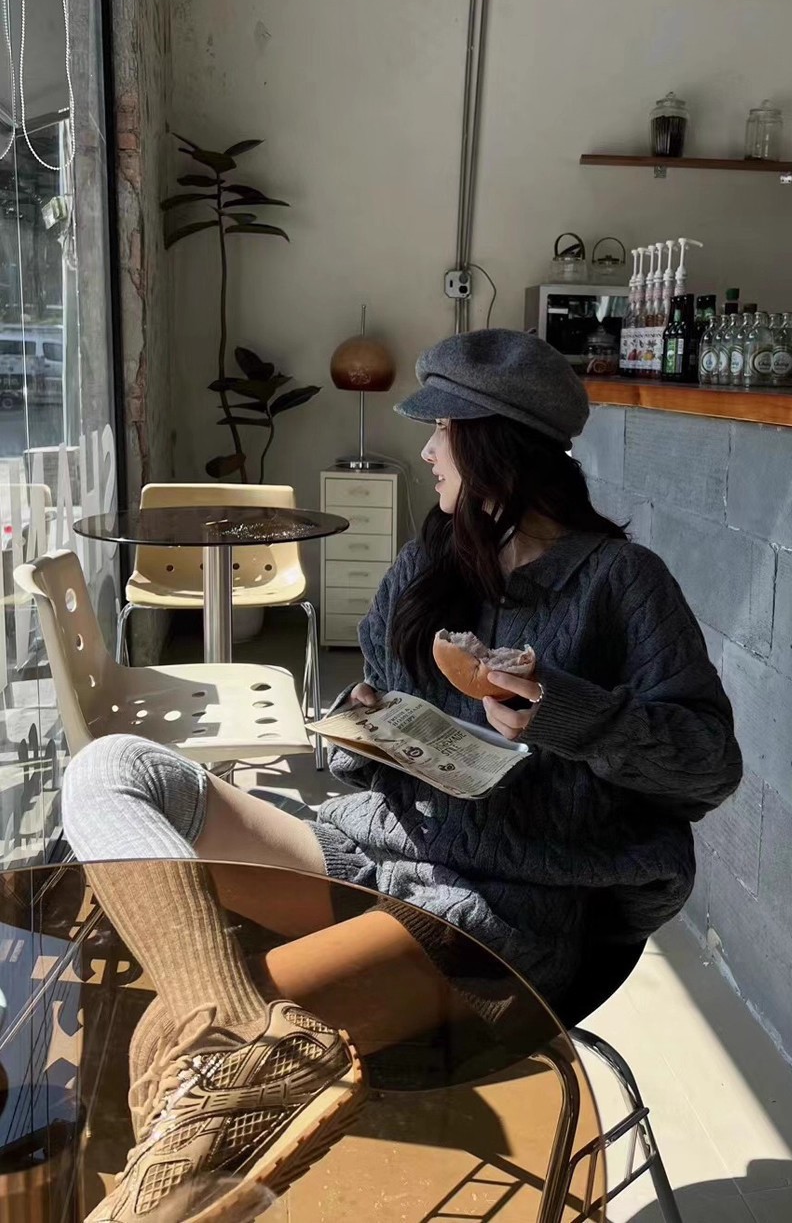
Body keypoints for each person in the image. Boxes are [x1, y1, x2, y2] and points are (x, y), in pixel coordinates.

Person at [64, 328, 742, 1222]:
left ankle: (196, 1108)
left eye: (441, 430)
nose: (426, 450)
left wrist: (563, 710)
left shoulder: (622, 583)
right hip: (376, 853)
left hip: (499, 911)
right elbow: (378, 741)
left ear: (493, 444)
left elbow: (708, 764)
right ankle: (228, 1029)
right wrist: (362, 725)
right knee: (113, 767)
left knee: (162, 1040)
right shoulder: (433, 563)